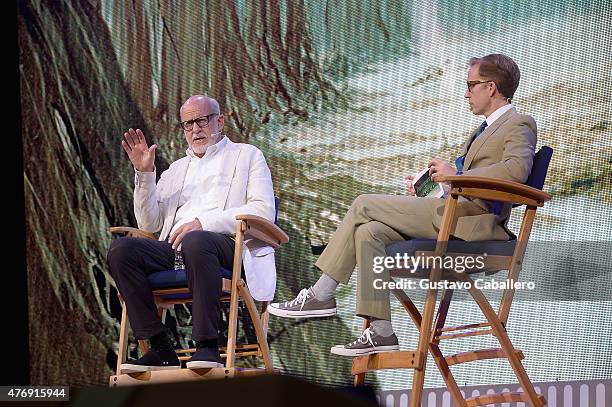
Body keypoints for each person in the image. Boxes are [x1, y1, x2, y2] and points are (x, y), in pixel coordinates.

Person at [268, 54, 537, 357]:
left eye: (470, 85)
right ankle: (381, 331)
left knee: (363, 204)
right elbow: (465, 185)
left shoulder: (519, 123)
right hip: (453, 213)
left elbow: (516, 171)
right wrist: (439, 186)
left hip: (475, 226)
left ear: (491, 87)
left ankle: (321, 294)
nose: (466, 93)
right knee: (369, 232)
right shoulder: (482, 130)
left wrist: (457, 175)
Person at [108, 95, 276, 372]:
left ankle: (207, 346)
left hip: (227, 248)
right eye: (188, 124)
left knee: (196, 240)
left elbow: (263, 211)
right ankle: (160, 347)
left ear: (219, 121)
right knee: (122, 251)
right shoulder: (176, 169)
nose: (195, 129)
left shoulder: (247, 156)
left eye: (202, 120)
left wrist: (203, 222)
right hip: (175, 249)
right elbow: (149, 224)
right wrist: (145, 173)